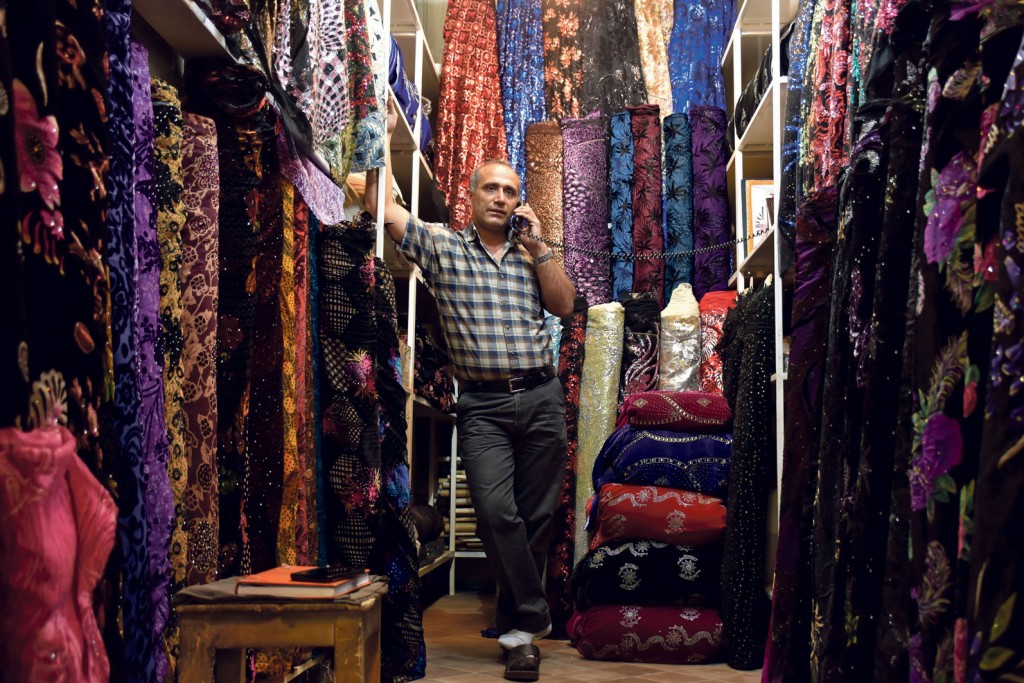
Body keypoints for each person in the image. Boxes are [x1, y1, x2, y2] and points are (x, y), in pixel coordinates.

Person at [365, 99, 575, 669]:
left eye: (510, 191)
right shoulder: (442, 247)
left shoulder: (534, 254)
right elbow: (378, 205)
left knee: (535, 519)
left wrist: (541, 248)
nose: (502, 199)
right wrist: (380, 132)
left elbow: (566, 305)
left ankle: (517, 636)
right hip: (481, 404)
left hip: (541, 397)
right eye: (492, 189)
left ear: (519, 201)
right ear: (473, 196)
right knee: (493, 511)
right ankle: (532, 614)